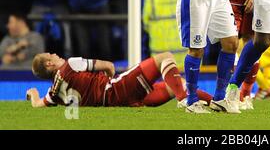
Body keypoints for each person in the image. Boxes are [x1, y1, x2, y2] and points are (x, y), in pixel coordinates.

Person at [26, 52, 212, 108]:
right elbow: (109, 66)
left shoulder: (54, 93)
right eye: (51, 55)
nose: (56, 54)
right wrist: (108, 79)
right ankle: (185, 101)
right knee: (165, 57)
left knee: (176, 86)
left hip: (121, 102)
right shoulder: (70, 64)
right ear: (49, 63)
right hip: (118, 89)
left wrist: (33, 94)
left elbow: (37, 104)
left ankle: (216, 103)